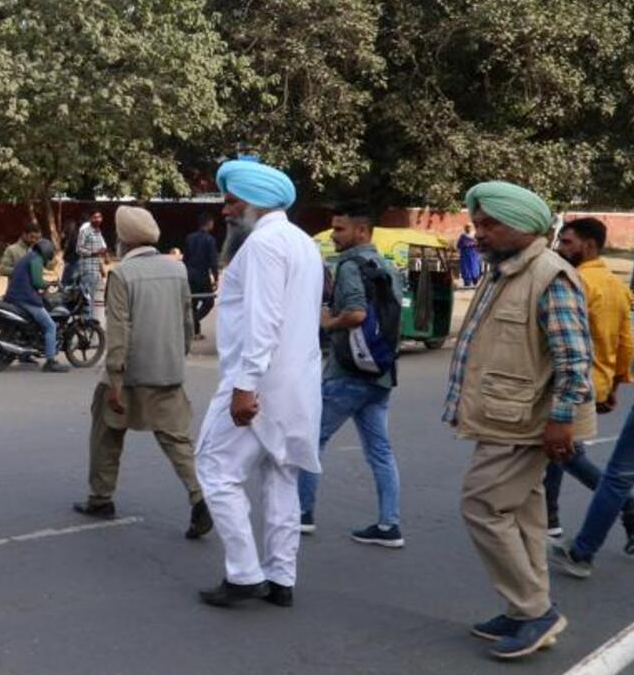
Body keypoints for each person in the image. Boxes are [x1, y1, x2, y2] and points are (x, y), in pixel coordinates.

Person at [444, 181, 593, 660]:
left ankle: (534, 611)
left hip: (529, 421)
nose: (479, 234)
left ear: (525, 227)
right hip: (505, 416)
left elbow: (573, 360)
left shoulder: (551, 276)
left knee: (482, 505)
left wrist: (561, 421)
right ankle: (526, 608)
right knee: (524, 515)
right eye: (477, 224)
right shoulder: (500, 272)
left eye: (490, 225)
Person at [195, 159, 322, 609]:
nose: (226, 211)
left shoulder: (265, 246)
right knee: (281, 476)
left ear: (254, 203)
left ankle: (246, 573)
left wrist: (245, 386)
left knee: (214, 468)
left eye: (231, 202)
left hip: (258, 384)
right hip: (297, 385)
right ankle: (281, 577)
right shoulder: (303, 243)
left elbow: (263, 321)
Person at [73, 206, 211, 538]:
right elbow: (187, 322)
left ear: (122, 239)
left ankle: (101, 497)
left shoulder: (122, 274)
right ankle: (200, 498)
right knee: (177, 440)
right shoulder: (176, 271)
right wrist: (178, 357)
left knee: (106, 432)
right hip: (167, 370)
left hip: (130, 374)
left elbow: (119, 330)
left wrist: (116, 378)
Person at [297, 209, 406, 547]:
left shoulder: (348, 266)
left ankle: (302, 515)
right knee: (381, 451)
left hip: (347, 373)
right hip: (381, 372)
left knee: (311, 440)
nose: (333, 235)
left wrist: (326, 322)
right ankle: (389, 525)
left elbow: (356, 313)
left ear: (362, 231)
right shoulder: (388, 266)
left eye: (339, 229)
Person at [545, 218, 634, 578]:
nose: (560, 249)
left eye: (566, 242)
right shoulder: (617, 285)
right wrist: (615, 384)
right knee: (562, 453)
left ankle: (564, 533)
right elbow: (626, 341)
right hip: (596, 382)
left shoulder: (575, 282)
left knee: (559, 450)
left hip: (572, 382)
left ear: (587, 246)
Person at [4, 237, 70, 373]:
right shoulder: (36, 260)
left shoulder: (28, 256)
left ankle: (28, 352)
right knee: (50, 326)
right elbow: (37, 282)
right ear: (46, 253)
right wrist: (50, 283)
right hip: (25, 298)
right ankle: (50, 362)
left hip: (14, 296)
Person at [185, 214, 221, 340]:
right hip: (202, 276)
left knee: (193, 303)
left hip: (189, 275)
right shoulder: (209, 240)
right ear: (209, 223)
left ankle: (195, 332)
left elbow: (185, 259)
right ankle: (194, 321)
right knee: (209, 301)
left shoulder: (189, 238)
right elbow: (213, 261)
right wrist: (216, 277)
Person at [77, 210, 109, 326]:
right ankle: (85, 322)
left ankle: (88, 321)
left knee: (91, 296)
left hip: (95, 268)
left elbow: (102, 248)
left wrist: (104, 256)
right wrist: (95, 252)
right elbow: (79, 249)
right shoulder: (85, 231)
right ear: (90, 218)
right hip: (87, 268)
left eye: (100, 217)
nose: (98, 219)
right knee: (87, 296)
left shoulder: (97, 232)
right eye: (95, 217)